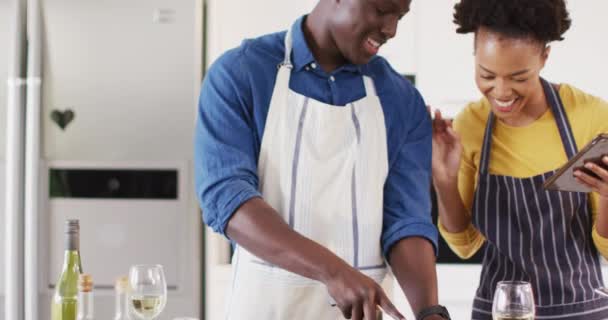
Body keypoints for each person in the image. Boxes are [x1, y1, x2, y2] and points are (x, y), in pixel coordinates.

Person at [194, 0, 451, 319]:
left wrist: (430, 312)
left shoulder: (401, 98)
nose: (391, 29)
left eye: (399, 16)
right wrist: (333, 271)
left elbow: (406, 218)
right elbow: (227, 199)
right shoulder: (241, 73)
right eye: (382, 9)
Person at [432, 0, 608, 319]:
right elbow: (465, 244)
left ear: (544, 57)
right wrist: (443, 180)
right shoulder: (470, 125)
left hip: (581, 311)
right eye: (487, 75)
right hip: (499, 310)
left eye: (519, 77)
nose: (500, 92)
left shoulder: (590, 117)